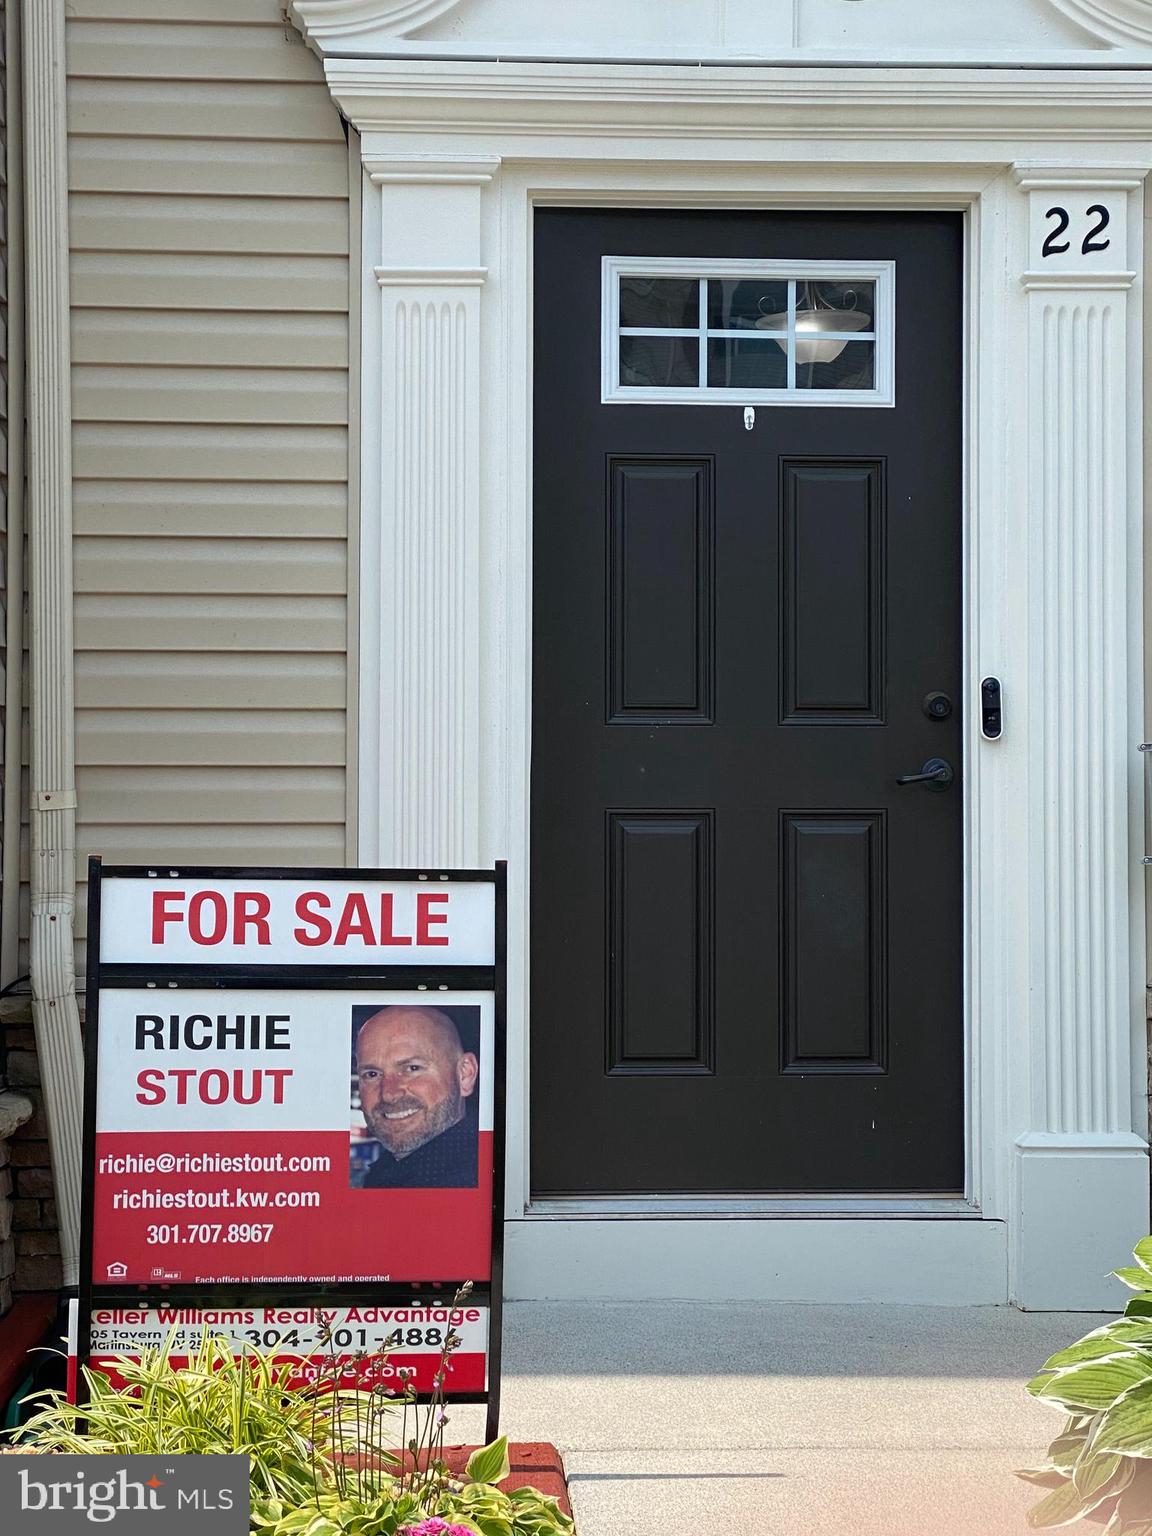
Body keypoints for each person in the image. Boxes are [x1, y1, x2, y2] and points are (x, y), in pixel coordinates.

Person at [353, 1005, 479, 1189]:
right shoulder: (390, 1173)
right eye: (372, 1074)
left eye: (412, 1068)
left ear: (464, 1075)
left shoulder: (471, 1179)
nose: (389, 1094)